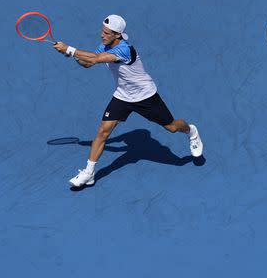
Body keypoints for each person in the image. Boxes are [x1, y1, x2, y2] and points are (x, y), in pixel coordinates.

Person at [53, 14, 203, 187]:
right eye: (102, 31)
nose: (102, 35)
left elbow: (95, 59)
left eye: (107, 33)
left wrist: (70, 50)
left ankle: (191, 131)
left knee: (171, 127)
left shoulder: (125, 49)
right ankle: (89, 173)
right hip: (122, 96)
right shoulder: (104, 45)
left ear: (118, 35)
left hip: (145, 96)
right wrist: (73, 56)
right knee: (103, 132)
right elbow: (89, 63)